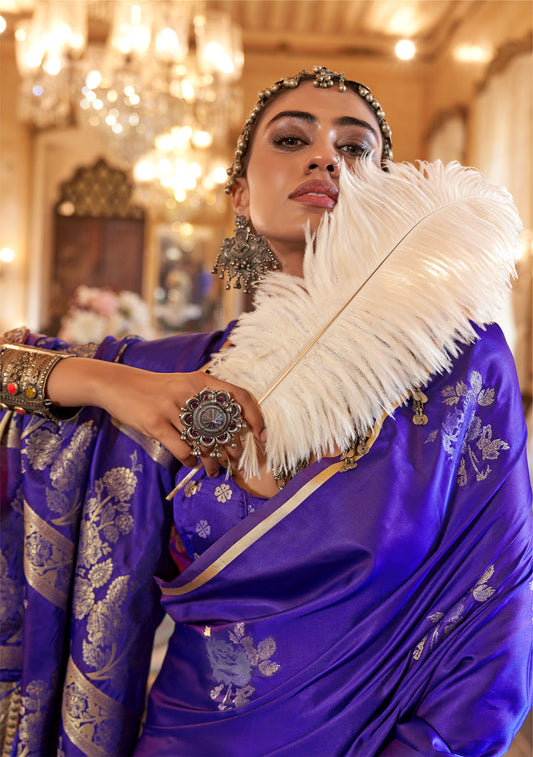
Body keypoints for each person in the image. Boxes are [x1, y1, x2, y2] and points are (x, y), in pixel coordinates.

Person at [0, 67, 531, 757]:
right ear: (241, 197)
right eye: (291, 139)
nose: (325, 158)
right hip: (182, 737)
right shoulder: (182, 371)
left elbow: (500, 613)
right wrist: (112, 385)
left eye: (354, 148)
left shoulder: (459, 365)